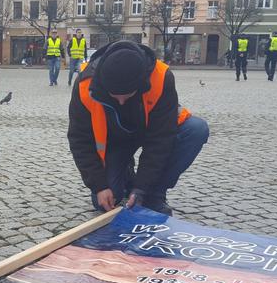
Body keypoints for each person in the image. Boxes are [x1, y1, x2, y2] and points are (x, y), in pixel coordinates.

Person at [67, 41, 209, 216]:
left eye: (127, 96)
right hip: (114, 141)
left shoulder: (161, 78)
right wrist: (99, 186)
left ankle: (154, 194)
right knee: (102, 201)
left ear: (141, 84)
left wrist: (143, 188)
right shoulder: (85, 84)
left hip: (148, 131)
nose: (121, 102)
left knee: (196, 129)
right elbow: (80, 139)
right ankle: (125, 174)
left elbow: (161, 140)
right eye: (114, 97)